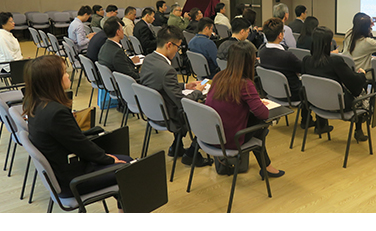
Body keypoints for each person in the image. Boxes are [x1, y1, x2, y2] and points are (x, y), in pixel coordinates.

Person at [23, 55, 131, 206]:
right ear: (53, 80)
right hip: (74, 181)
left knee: (117, 153)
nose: (68, 75)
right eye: (65, 72)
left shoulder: (35, 104)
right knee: (130, 168)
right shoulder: (56, 112)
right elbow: (82, 146)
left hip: (62, 171)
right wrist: (110, 160)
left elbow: (75, 141)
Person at [206, 41, 285, 179]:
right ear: (249, 62)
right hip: (230, 140)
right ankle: (266, 167)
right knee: (262, 126)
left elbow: (230, 103)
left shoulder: (220, 76)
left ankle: (266, 167)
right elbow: (263, 114)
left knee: (257, 125)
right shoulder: (245, 84)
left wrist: (253, 102)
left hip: (211, 134)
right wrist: (257, 104)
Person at [140, 25, 212, 167]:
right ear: (169, 45)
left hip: (153, 111)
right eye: (178, 47)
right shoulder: (167, 70)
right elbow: (180, 102)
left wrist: (185, 86)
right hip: (170, 115)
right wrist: (198, 91)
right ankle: (191, 154)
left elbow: (160, 86)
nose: (178, 51)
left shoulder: (148, 59)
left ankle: (176, 147)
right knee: (206, 115)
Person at [302, 27, 368, 140]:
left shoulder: (306, 60)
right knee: (362, 91)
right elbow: (354, 83)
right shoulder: (335, 62)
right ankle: (358, 130)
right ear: (327, 44)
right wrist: (362, 75)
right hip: (338, 106)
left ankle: (321, 125)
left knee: (320, 88)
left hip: (315, 103)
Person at [259, 18, 313, 128]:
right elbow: (304, 68)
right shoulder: (286, 56)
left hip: (272, 92)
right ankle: (307, 120)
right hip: (292, 93)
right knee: (310, 86)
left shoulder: (262, 51)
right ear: (280, 35)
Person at [98, 17, 140, 82]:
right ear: (118, 32)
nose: (123, 31)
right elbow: (129, 75)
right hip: (125, 84)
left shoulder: (104, 47)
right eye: (122, 29)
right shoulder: (117, 53)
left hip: (111, 82)